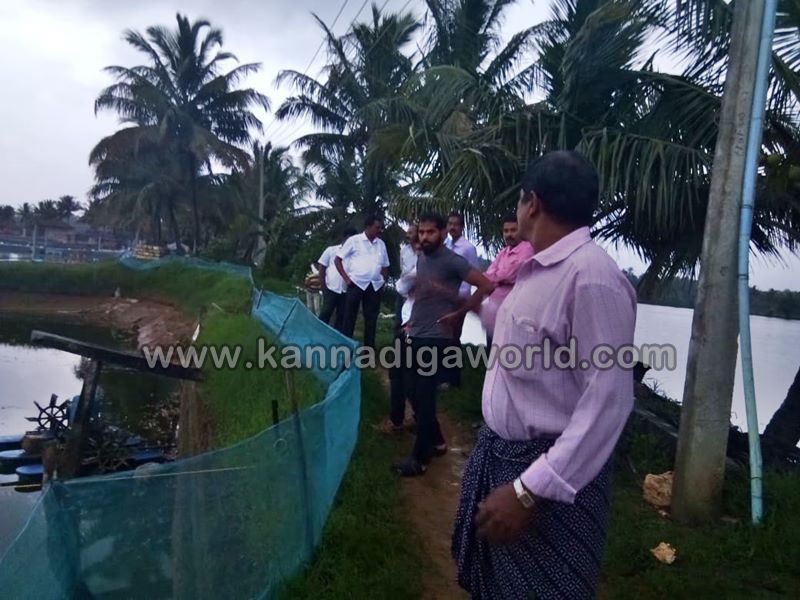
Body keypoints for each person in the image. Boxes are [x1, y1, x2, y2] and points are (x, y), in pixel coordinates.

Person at [452, 151, 637, 599]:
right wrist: (464, 304)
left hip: (549, 477)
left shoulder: (591, 278)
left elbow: (609, 401)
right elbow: (522, 333)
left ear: (531, 203)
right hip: (502, 457)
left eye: (519, 201)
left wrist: (528, 491)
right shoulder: (536, 270)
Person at [392, 212, 494, 477]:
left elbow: (486, 285)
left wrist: (459, 313)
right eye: (422, 232)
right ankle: (436, 441)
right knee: (411, 390)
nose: (424, 237)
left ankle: (420, 457)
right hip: (416, 331)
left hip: (436, 335)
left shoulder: (453, 261)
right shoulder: (423, 257)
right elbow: (422, 293)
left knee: (424, 395)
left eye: (430, 232)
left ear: (442, 233)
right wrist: (411, 321)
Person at [376, 227, 420, 434]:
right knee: (400, 373)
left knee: (410, 377)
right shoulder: (410, 255)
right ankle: (400, 420)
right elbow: (403, 286)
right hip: (408, 321)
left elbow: (404, 284)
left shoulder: (431, 264)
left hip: (419, 327)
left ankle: (420, 423)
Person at [335, 215, 390, 349]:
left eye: (381, 228)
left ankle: (369, 350)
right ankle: (346, 347)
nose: (379, 230)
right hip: (356, 284)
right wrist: (347, 279)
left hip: (374, 286)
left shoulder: (381, 244)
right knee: (349, 317)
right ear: (368, 226)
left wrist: (383, 281)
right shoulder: (354, 241)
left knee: (371, 319)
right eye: (377, 227)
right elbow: (338, 260)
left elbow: (385, 265)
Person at [481, 216, 535, 347]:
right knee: (492, 354)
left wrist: (496, 278)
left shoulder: (527, 249)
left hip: (513, 315)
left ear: (521, 230)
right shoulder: (503, 253)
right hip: (494, 316)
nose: (509, 234)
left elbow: (511, 274)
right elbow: (487, 276)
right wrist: (499, 279)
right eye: (506, 231)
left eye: (513, 230)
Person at [443, 212, 479, 386]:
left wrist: (465, 295)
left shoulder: (468, 248)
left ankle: (453, 378)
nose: (452, 227)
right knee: (443, 335)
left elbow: (475, 273)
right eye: (450, 223)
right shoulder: (445, 245)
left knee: (454, 337)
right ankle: (441, 374)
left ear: (462, 227)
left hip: (460, 298)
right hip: (444, 297)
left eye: (456, 224)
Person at [316, 228, 358, 331]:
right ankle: (318, 332)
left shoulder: (355, 255)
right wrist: (323, 286)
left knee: (341, 316)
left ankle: (335, 337)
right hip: (331, 288)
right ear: (345, 238)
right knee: (326, 312)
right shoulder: (331, 250)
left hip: (345, 291)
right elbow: (322, 268)